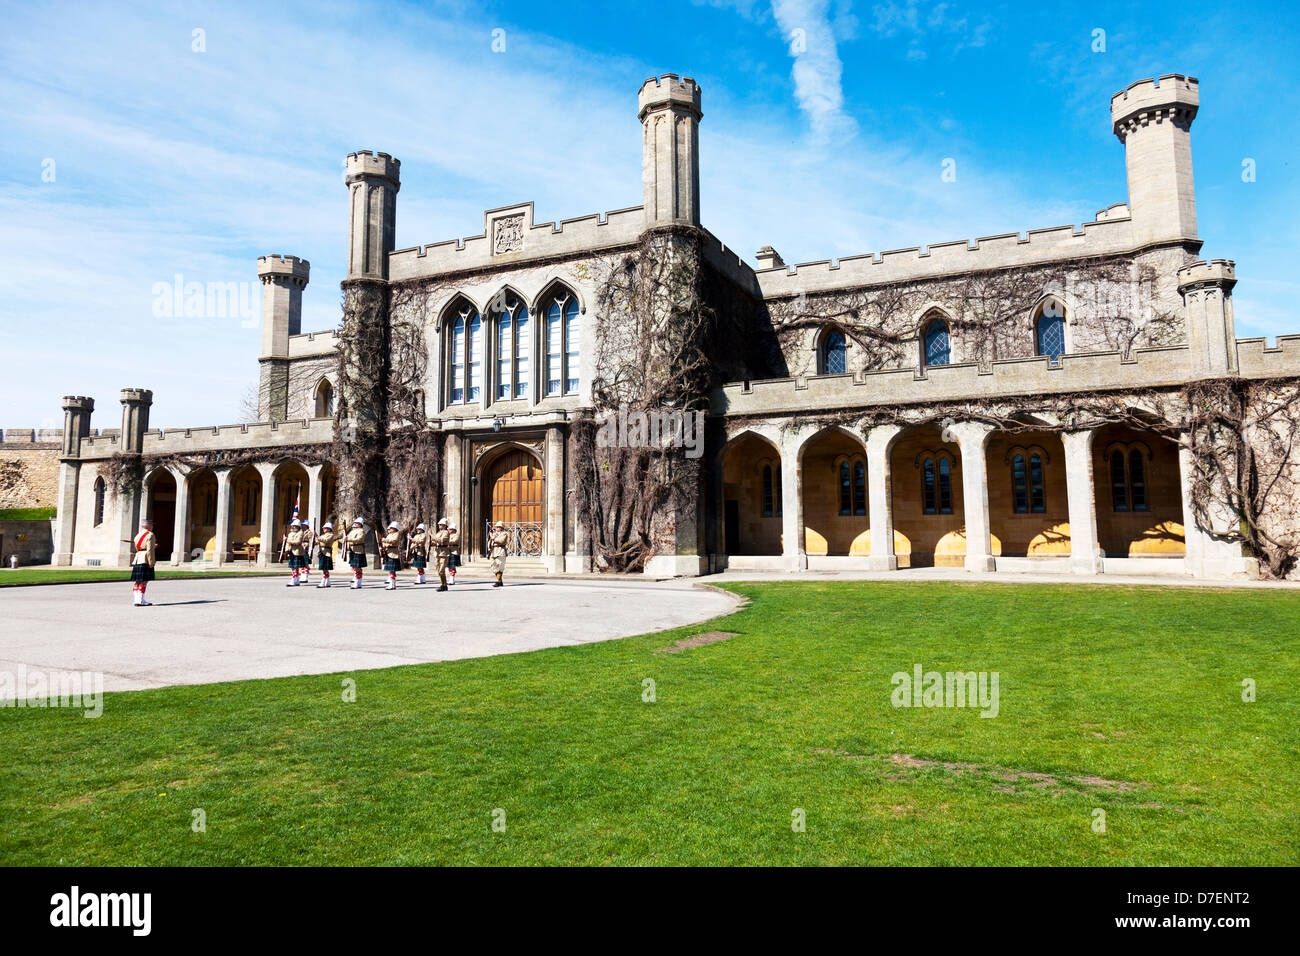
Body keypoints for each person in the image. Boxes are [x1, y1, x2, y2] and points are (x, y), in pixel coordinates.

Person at [129, 516, 157, 606]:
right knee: (144, 581)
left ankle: (137, 599)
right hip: (145, 558)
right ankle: (140, 600)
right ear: (148, 526)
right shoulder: (150, 535)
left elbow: (138, 546)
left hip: (138, 557)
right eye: (151, 525)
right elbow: (149, 550)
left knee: (137, 581)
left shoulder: (138, 535)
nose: (152, 526)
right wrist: (151, 562)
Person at [315, 521, 339, 588]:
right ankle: (327, 581)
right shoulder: (323, 535)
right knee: (324, 568)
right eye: (324, 528)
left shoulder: (331, 535)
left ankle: (323, 581)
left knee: (324, 568)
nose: (324, 529)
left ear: (329, 529)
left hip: (326, 552)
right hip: (322, 551)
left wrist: (317, 536)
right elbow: (318, 541)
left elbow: (326, 540)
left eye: (325, 528)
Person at [345, 517, 368, 589]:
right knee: (354, 566)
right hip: (352, 549)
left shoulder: (361, 531)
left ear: (360, 524)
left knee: (358, 567)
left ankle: (358, 582)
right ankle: (357, 580)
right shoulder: (352, 531)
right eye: (355, 523)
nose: (355, 524)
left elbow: (359, 539)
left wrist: (348, 539)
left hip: (358, 550)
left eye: (357, 523)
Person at [284, 518, 308, 587]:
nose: (293, 527)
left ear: (298, 527)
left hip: (297, 551)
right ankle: (296, 579)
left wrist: (287, 540)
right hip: (291, 551)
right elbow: (288, 543)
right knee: (293, 567)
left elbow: (297, 542)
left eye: (294, 526)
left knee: (295, 567)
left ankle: (294, 579)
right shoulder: (290, 533)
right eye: (292, 526)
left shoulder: (300, 533)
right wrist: (286, 549)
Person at [488, 520, 510, 588]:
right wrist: (489, 546)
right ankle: (500, 581)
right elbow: (490, 541)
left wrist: (494, 538)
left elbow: (501, 541)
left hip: (501, 551)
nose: (497, 528)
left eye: (498, 527)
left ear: (501, 528)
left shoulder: (504, 534)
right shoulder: (495, 534)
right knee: (493, 565)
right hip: (494, 551)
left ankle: (498, 581)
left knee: (499, 566)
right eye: (496, 527)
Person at [431, 517, 451, 591]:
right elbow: (436, 541)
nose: (439, 526)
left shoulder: (446, 532)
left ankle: (443, 585)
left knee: (441, 570)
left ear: (445, 525)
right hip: (438, 552)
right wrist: (432, 542)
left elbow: (442, 540)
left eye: (441, 525)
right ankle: (443, 585)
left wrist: (432, 537)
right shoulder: (438, 532)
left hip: (443, 553)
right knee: (438, 569)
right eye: (439, 525)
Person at [382, 521, 403, 590]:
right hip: (388, 552)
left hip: (393, 553)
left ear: (395, 528)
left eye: (391, 528)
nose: (389, 529)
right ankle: (392, 583)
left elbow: (393, 541)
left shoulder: (396, 534)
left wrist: (384, 540)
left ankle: (392, 584)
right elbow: (386, 542)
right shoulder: (389, 535)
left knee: (392, 570)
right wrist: (383, 546)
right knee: (390, 570)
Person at [446, 520, 460, 585]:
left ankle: (452, 579)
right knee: (449, 566)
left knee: (452, 566)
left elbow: (454, 541)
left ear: (453, 529)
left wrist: (445, 541)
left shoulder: (456, 535)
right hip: (448, 551)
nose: (448, 530)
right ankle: (450, 578)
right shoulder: (448, 535)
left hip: (454, 551)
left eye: (450, 529)